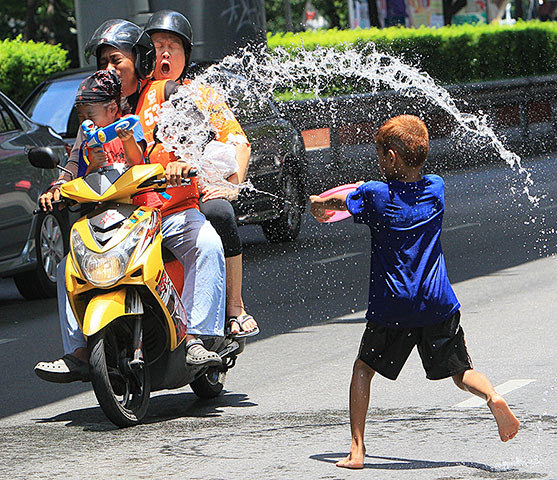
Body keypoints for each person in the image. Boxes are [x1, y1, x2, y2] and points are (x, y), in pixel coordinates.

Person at [309, 115, 520, 469]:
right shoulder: (436, 187)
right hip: (437, 304)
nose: (378, 161)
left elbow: (336, 204)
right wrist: (365, 189)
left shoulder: (375, 195)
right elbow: (375, 192)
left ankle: (357, 450)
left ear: (391, 158)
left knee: (363, 369)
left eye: (380, 155)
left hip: (394, 307)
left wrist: (318, 203)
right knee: (461, 372)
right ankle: (493, 396)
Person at [34, 20, 226, 383]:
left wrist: (185, 160)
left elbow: (200, 135)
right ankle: (78, 352)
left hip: (171, 211)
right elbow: (75, 158)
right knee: (66, 269)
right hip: (120, 216)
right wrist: (58, 185)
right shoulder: (98, 108)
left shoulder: (168, 93)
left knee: (206, 243)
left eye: (116, 60)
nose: (108, 68)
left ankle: (200, 339)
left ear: (139, 60)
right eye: (103, 61)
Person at [144, 9, 259, 337]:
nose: (164, 52)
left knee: (220, 212)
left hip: (190, 196)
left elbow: (240, 143)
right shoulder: (136, 97)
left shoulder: (202, 95)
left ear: (185, 55)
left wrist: (231, 186)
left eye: (172, 46)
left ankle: (235, 305)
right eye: (156, 45)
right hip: (144, 201)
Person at [73, 69, 146, 175]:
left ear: (112, 109)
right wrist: (93, 165)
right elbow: (81, 182)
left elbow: (136, 161)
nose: (85, 123)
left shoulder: (129, 126)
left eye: (90, 116)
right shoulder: (86, 146)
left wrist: (128, 139)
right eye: (81, 117)